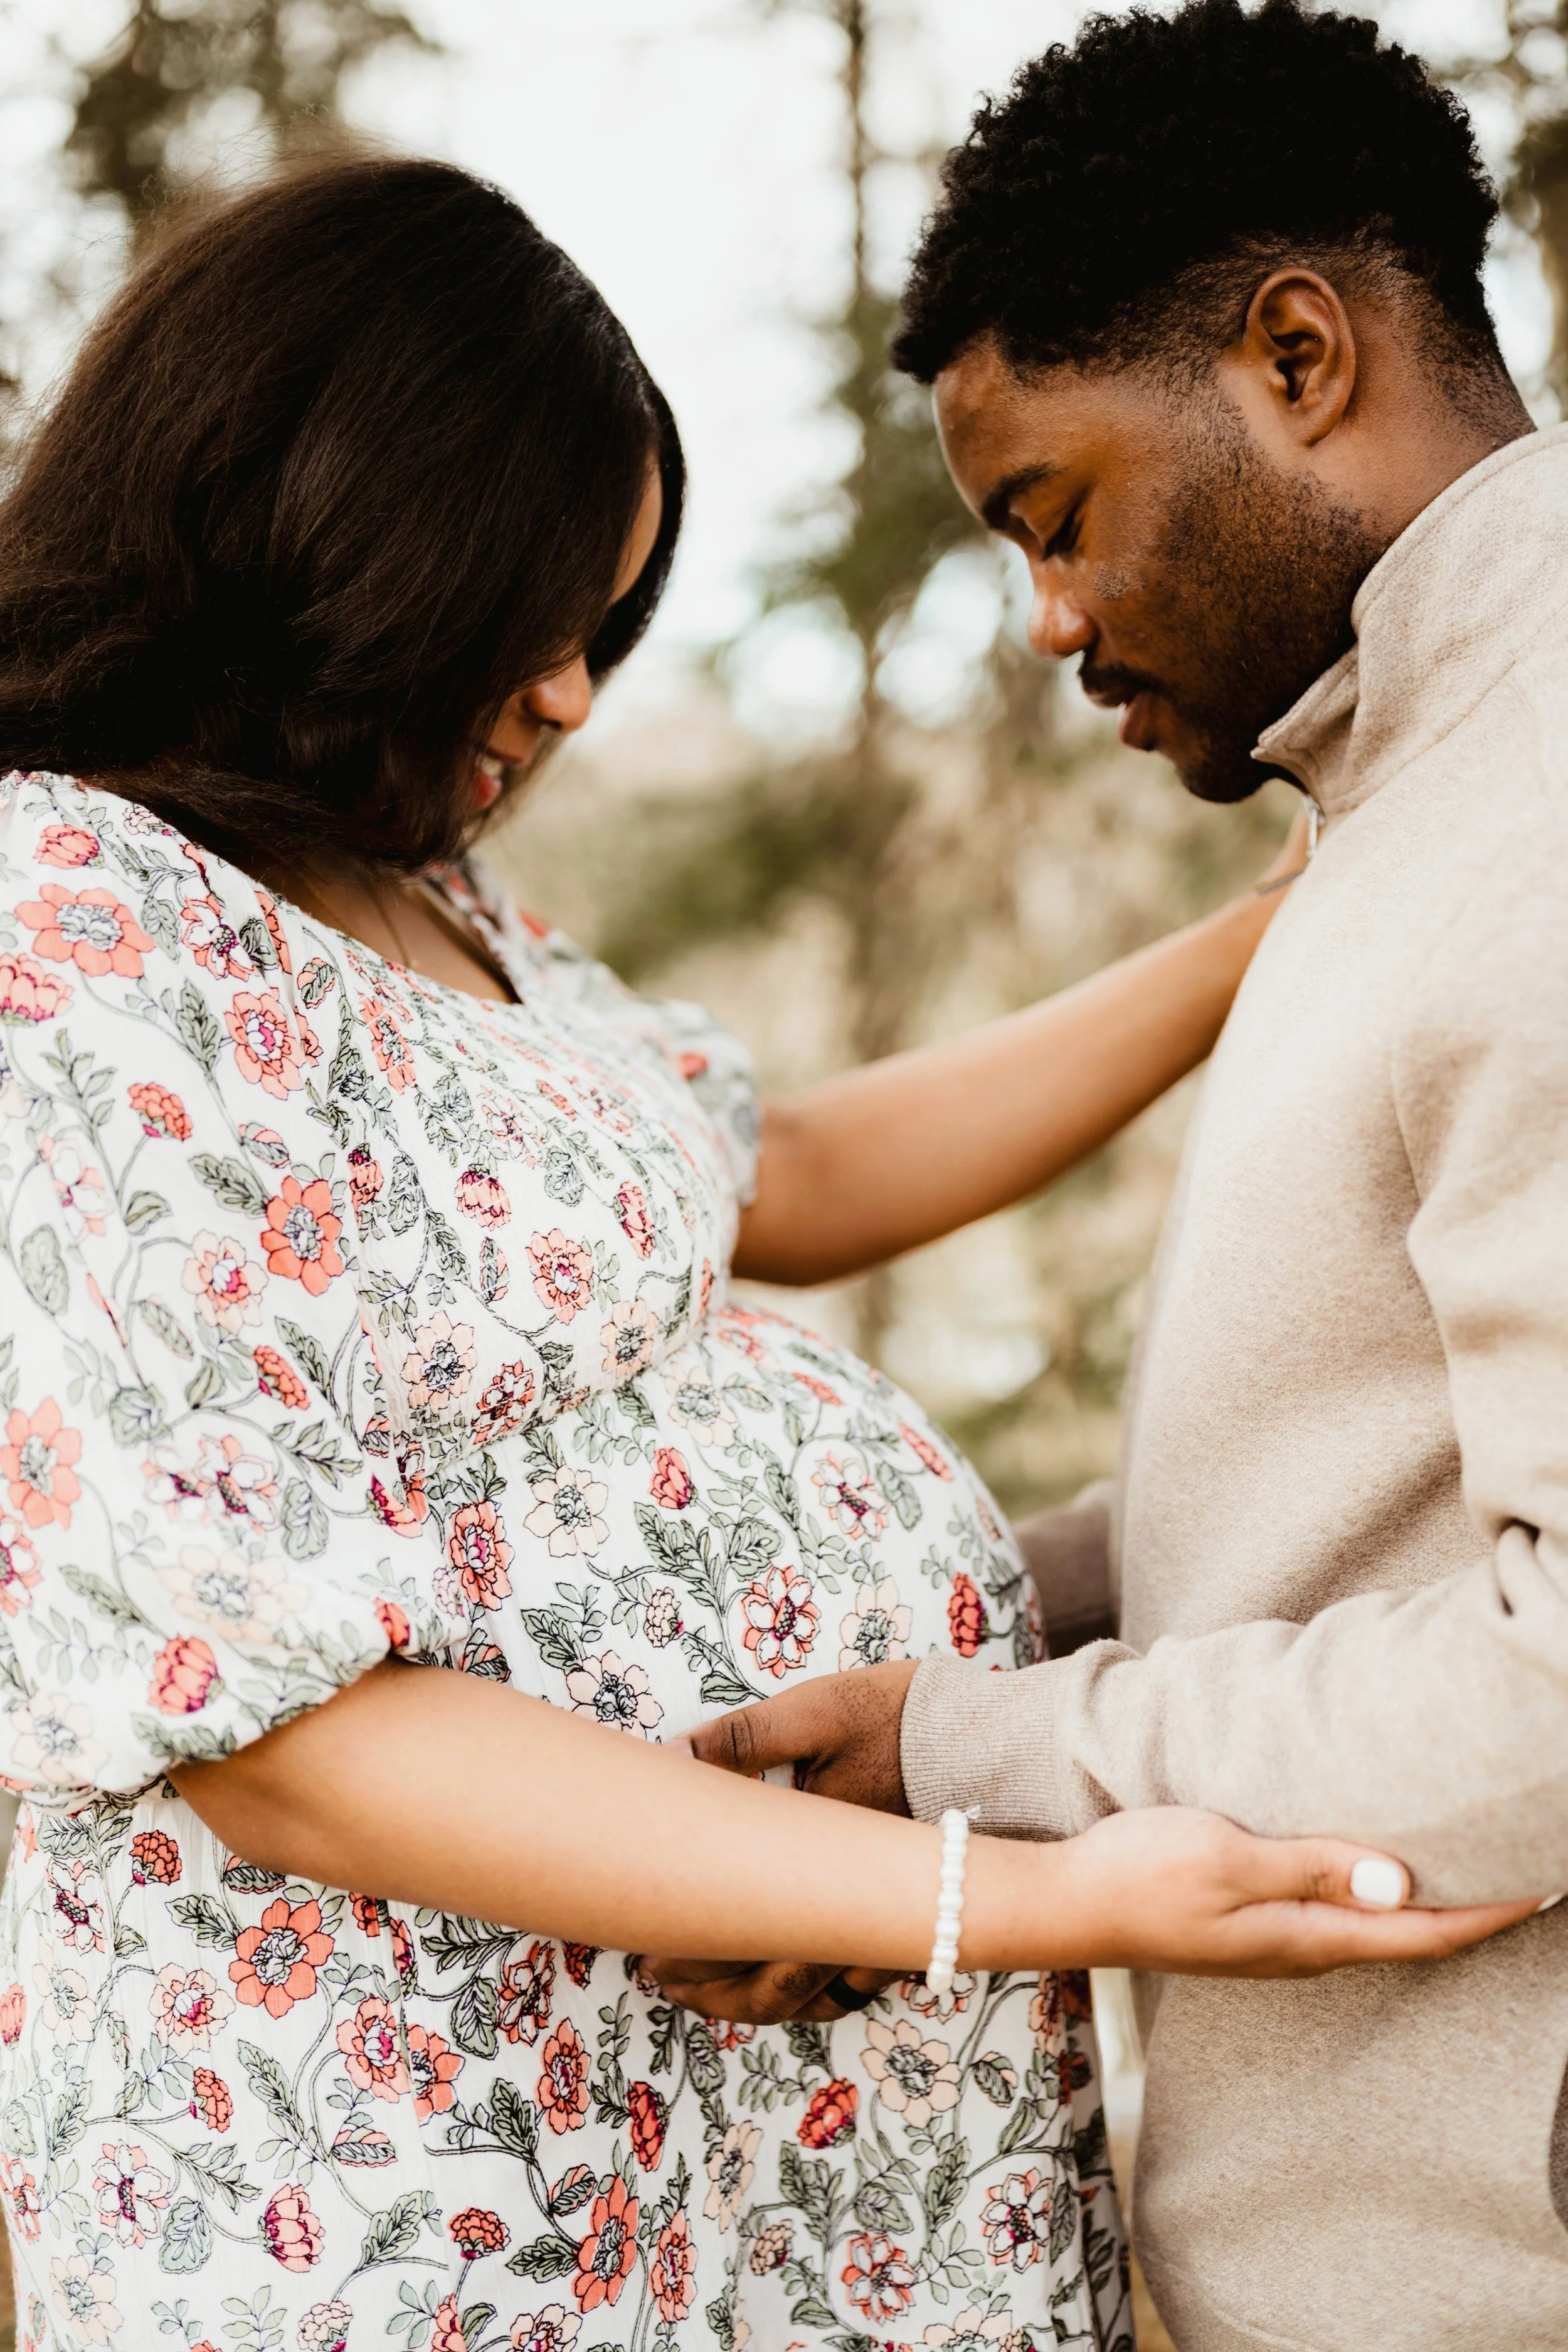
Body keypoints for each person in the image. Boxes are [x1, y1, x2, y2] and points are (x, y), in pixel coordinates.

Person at [0, 153, 1525, 2352]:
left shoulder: (429, 902)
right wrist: (1002, 1888)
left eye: (607, 629)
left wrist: (1293, 929)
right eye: (536, 613)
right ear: (325, 530)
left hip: (770, 2080)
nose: (576, 692)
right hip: (412, 2128)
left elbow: (781, 1162)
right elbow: (276, 1727)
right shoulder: (72, 921)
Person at [670, 2, 1568, 2345]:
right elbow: (1350, 1490)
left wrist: (965, 1757)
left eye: (1051, 517)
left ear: (1293, 354)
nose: (1051, 624)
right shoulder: (1392, 815)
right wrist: (942, 1620)